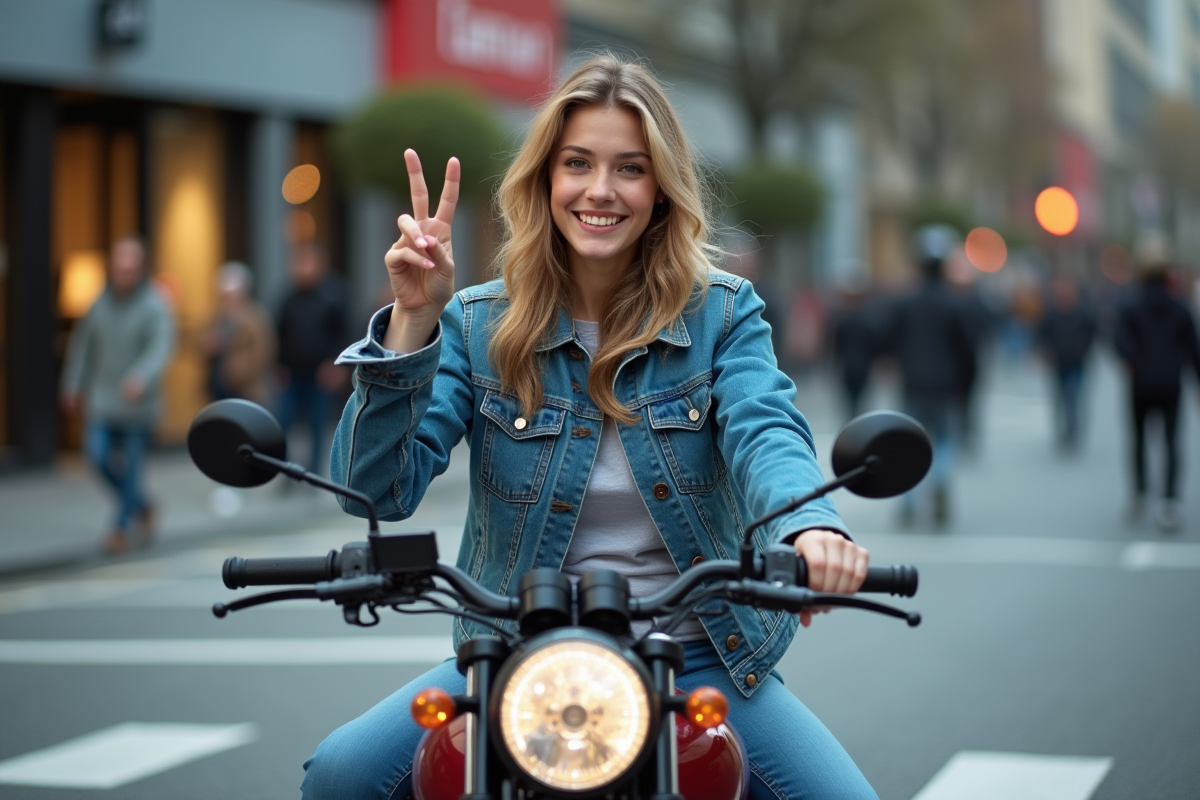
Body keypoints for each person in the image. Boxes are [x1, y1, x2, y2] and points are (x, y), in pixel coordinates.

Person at [302, 56, 877, 800]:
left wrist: (809, 528)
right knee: (340, 775)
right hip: (513, 655)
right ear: (545, 178)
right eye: (577, 163)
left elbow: (765, 428)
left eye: (629, 168)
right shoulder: (477, 322)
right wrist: (413, 321)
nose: (600, 190)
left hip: (695, 654)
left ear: (661, 188)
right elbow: (373, 490)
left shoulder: (723, 312)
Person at [60, 236, 175, 554]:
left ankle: (120, 528)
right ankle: (142, 505)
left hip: (138, 403)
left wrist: (141, 376)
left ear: (141, 269)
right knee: (97, 458)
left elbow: (160, 347)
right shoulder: (99, 304)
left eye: (131, 269)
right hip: (103, 398)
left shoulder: (154, 305)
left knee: (133, 467)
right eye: (120, 268)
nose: (125, 274)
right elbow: (83, 347)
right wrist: (72, 384)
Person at [882, 225, 975, 528]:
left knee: (909, 444)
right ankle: (941, 483)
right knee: (944, 439)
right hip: (946, 384)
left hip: (912, 383)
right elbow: (967, 349)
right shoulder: (956, 303)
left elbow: (889, 340)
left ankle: (908, 503)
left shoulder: (904, 302)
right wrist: (966, 385)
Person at [1113, 249, 1200, 531]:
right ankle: (1170, 499)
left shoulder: (1132, 307)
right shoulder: (1180, 308)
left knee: (1138, 439)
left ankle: (1140, 492)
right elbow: (1193, 349)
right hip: (1171, 383)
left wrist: (1131, 360)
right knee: (1172, 441)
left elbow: (1119, 341)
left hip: (1140, 383)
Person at [276, 243, 348, 476]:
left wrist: (335, 365)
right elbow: (280, 333)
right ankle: (285, 469)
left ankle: (314, 470)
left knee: (317, 423)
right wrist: (279, 365)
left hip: (320, 373)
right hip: (293, 373)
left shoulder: (333, 296)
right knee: (284, 420)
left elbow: (342, 334)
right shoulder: (288, 298)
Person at [203, 261, 276, 405]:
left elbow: (263, 351)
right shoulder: (218, 316)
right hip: (219, 385)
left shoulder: (254, 316)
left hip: (246, 388)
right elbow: (203, 339)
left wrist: (239, 372)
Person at [1037, 274, 1096, 452]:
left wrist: (1083, 350)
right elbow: (1043, 333)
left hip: (1077, 362)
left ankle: (1072, 429)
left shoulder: (1082, 312)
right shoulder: (1052, 312)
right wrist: (1046, 351)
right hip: (1059, 362)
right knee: (1061, 397)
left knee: (1073, 395)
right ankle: (1063, 429)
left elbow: (1092, 332)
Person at [831, 280, 879, 419]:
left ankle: (853, 418)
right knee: (860, 397)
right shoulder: (867, 321)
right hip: (863, 365)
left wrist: (836, 361)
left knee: (850, 399)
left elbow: (837, 345)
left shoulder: (843, 320)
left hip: (847, 365)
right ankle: (858, 418)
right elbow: (873, 344)